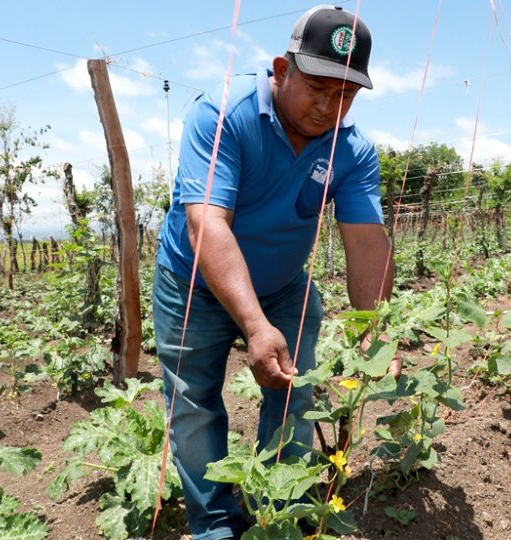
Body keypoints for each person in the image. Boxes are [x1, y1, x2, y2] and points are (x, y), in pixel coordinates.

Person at [152, 5, 397, 539]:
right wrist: (256, 326)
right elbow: (207, 227)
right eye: (317, 87)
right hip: (192, 284)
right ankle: (215, 524)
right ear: (282, 70)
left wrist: (376, 339)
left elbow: (366, 242)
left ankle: (278, 505)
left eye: (346, 95)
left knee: (294, 391)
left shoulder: (352, 150)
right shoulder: (223, 113)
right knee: (194, 406)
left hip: (284, 285)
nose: (329, 106)